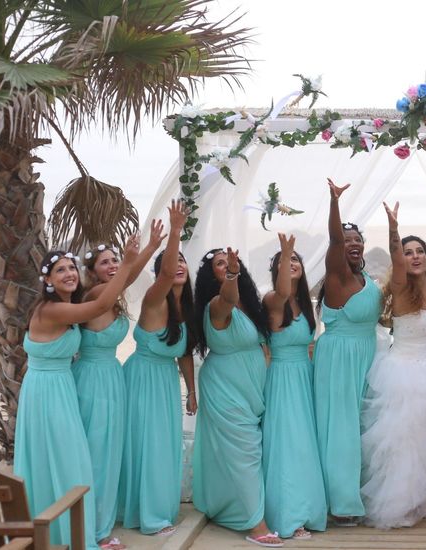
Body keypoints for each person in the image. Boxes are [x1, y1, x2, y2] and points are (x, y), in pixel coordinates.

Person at [16, 241, 140, 549]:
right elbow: (98, 307)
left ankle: (67, 532)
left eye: (72, 267)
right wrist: (126, 264)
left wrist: (136, 259)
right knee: (71, 461)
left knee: (63, 460)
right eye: (60, 270)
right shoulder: (52, 310)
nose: (69, 273)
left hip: (61, 387)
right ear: (47, 280)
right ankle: (73, 535)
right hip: (47, 392)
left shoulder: (67, 308)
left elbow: (102, 301)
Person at [360, 201, 426, 529]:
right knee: (409, 441)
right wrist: (394, 230)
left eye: (419, 250)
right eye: (408, 252)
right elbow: (395, 260)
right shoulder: (400, 287)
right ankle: (406, 502)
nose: (414, 256)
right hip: (405, 373)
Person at [72, 220, 164, 547]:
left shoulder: (111, 293)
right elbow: (127, 278)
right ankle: (94, 531)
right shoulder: (97, 293)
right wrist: (142, 253)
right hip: (93, 381)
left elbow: (127, 278)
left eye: (114, 260)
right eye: (105, 262)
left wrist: (148, 249)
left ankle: (102, 521)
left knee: (109, 451)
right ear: (93, 272)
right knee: (98, 452)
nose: (112, 266)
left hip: (111, 376)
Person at [191, 247, 279, 548]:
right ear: (211, 275)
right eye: (220, 264)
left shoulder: (249, 304)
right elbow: (228, 297)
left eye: (232, 262)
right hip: (224, 387)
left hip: (250, 388)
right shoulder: (217, 304)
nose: (229, 265)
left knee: (244, 452)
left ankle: (228, 506)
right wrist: (231, 276)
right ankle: (257, 526)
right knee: (246, 453)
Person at [120, 200, 196, 537]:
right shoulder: (155, 298)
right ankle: (149, 516)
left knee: (165, 444)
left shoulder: (187, 310)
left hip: (166, 382)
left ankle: (157, 509)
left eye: (183, 261)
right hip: (141, 377)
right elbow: (165, 272)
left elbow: (184, 354)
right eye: (173, 261)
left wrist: (192, 391)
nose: (178, 265)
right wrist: (175, 231)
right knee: (145, 443)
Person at [314, 178, 382, 526]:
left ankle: (364, 491)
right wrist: (334, 202)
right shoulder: (336, 273)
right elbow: (336, 239)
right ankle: (342, 502)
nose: (352, 245)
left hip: (368, 355)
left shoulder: (367, 278)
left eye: (358, 240)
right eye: (347, 241)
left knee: (365, 426)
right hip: (339, 358)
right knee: (340, 428)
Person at [262, 233, 327, 538]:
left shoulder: (305, 304)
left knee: (305, 446)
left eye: (296, 260)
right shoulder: (272, 300)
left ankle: (309, 510)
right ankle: (289, 516)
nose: (292, 264)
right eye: (285, 262)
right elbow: (283, 290)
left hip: (304, 377)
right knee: (288, 446)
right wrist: (285, 253)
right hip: (283, 379)